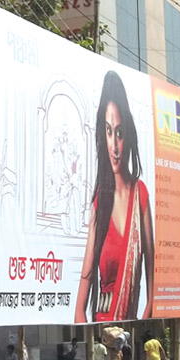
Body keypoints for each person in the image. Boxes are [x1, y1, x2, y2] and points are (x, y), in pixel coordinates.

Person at [76, 71, 156, 323]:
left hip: (133, 329)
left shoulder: (140, 195)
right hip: (103, 326)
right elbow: (84, 285)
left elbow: (151, 274)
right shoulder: (100, 202)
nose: (114, 146)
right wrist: (88, 331)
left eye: (120, 133)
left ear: (128, 135)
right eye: (109, 131)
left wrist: (145, 318)